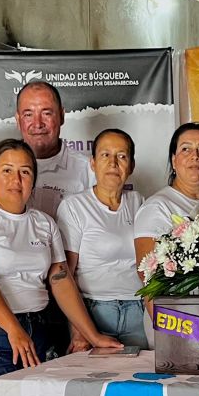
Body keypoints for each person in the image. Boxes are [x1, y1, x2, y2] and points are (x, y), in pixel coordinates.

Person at [0, 139, 121, 396]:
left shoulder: (44, 223)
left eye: (25, 171)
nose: (16, 179)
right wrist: (13, 330)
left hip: (40, 330)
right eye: (7, 170)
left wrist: (93, 335)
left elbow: (61, 281)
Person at [56, 129, 147, 351]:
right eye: (105, 155)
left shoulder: (140, 202)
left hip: (139, 311)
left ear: (131, 166)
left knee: (139, 381)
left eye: (122, 156)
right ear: (93, 163)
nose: (113, 163)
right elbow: (64, 275)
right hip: (94, 312)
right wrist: (80, 331)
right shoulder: (74, 207)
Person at [133, 122, 199, 271]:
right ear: (174, 161)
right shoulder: (157, 208)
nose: (195, 156)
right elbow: (147, 276)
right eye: (186, 149)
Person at [15, 81, 94, 218]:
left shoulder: (88, 170)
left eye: (46, 113)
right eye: (28, 114)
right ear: (17, 119)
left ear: (62, 116)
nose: (38, 124)